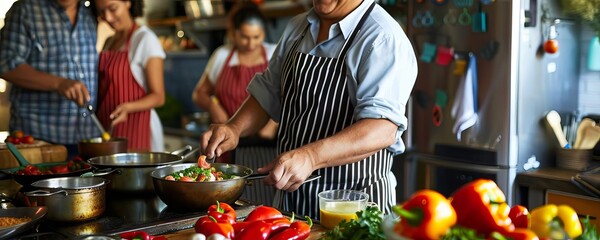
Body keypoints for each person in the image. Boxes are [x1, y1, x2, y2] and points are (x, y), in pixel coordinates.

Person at [200, 0, 418, 219]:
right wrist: (234, 128)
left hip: (353, 209)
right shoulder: (298, 26)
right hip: (293, 204)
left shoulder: (382, 37)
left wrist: (311, 157)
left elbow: (381, 129)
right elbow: (267, 92)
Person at [0, 0, 99, 157]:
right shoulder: (25, 9)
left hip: (85, 138)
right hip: (37, 139)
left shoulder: (90, 13)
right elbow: (5, 64)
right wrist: (59, 83)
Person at [192, 2, 278, 161]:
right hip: (225, 144)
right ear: (234, 33)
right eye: (245, 37)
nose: (251, 44)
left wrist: (272, 123)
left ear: (263, 33)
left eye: (256, 37)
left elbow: (284, 94)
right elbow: (199, 94)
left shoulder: (274, 53)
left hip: (265, 145)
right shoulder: (222, 55)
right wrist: (213, 105)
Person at [93, 0, 166, 152]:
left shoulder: (145, 39)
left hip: (138, 128)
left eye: (113, 9)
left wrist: (128, 107)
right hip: (109, 129)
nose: (108, 17)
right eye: (101, 12)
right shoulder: (109, 41)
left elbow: (159, 97)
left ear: (128, 2)